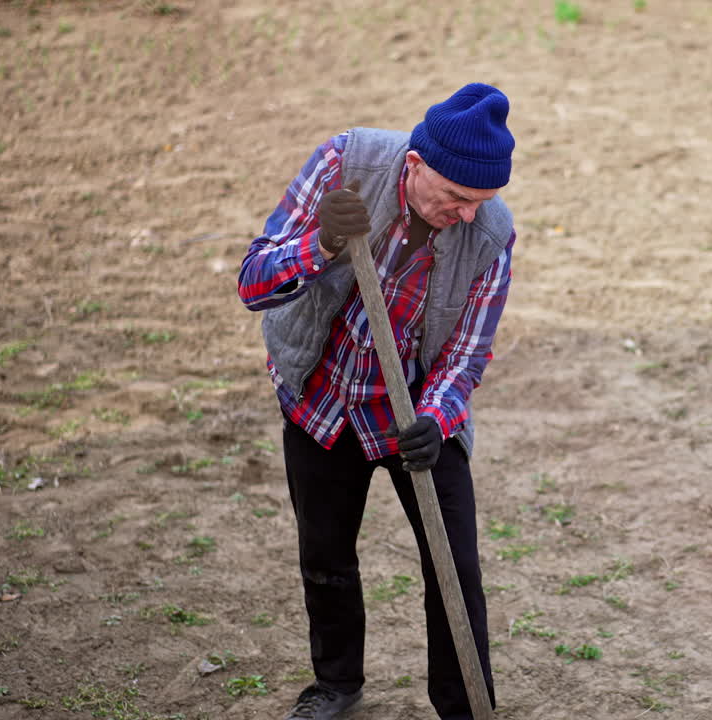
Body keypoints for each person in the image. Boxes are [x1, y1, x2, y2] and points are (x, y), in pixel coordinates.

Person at [237, 83, 516, 720]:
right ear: (416, 166)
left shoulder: (492, 237)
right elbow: (253, 284)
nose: (469, 214)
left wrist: (435, 418)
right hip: (323, 396)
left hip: (414, 412)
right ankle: (336, 685)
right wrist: (324, 246)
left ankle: (466, 707)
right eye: (457, 197)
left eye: (483, 201)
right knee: (326, 555)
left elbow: (467, 354)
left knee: (456, 570)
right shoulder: (345, 165)